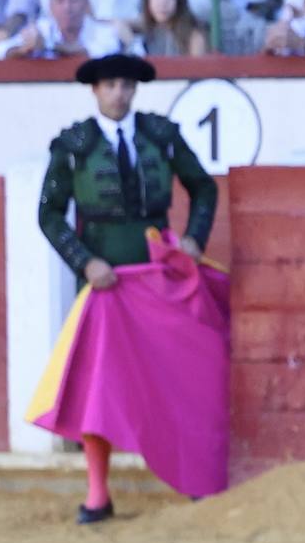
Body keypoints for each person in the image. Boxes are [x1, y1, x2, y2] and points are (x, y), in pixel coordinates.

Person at [30, 52, 219, 517]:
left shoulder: (161, 135)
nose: (120, 93)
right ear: (95, 91)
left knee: (177, 377)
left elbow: (205, 188)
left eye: (127, 86)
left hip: (158, 279)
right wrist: (85, 261)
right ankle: (98, 492)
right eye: (111, 85)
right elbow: (49, 215)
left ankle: (192, 473)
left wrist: (194, 238)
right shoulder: (73, 145)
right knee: (100, 387)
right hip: (105, 284)